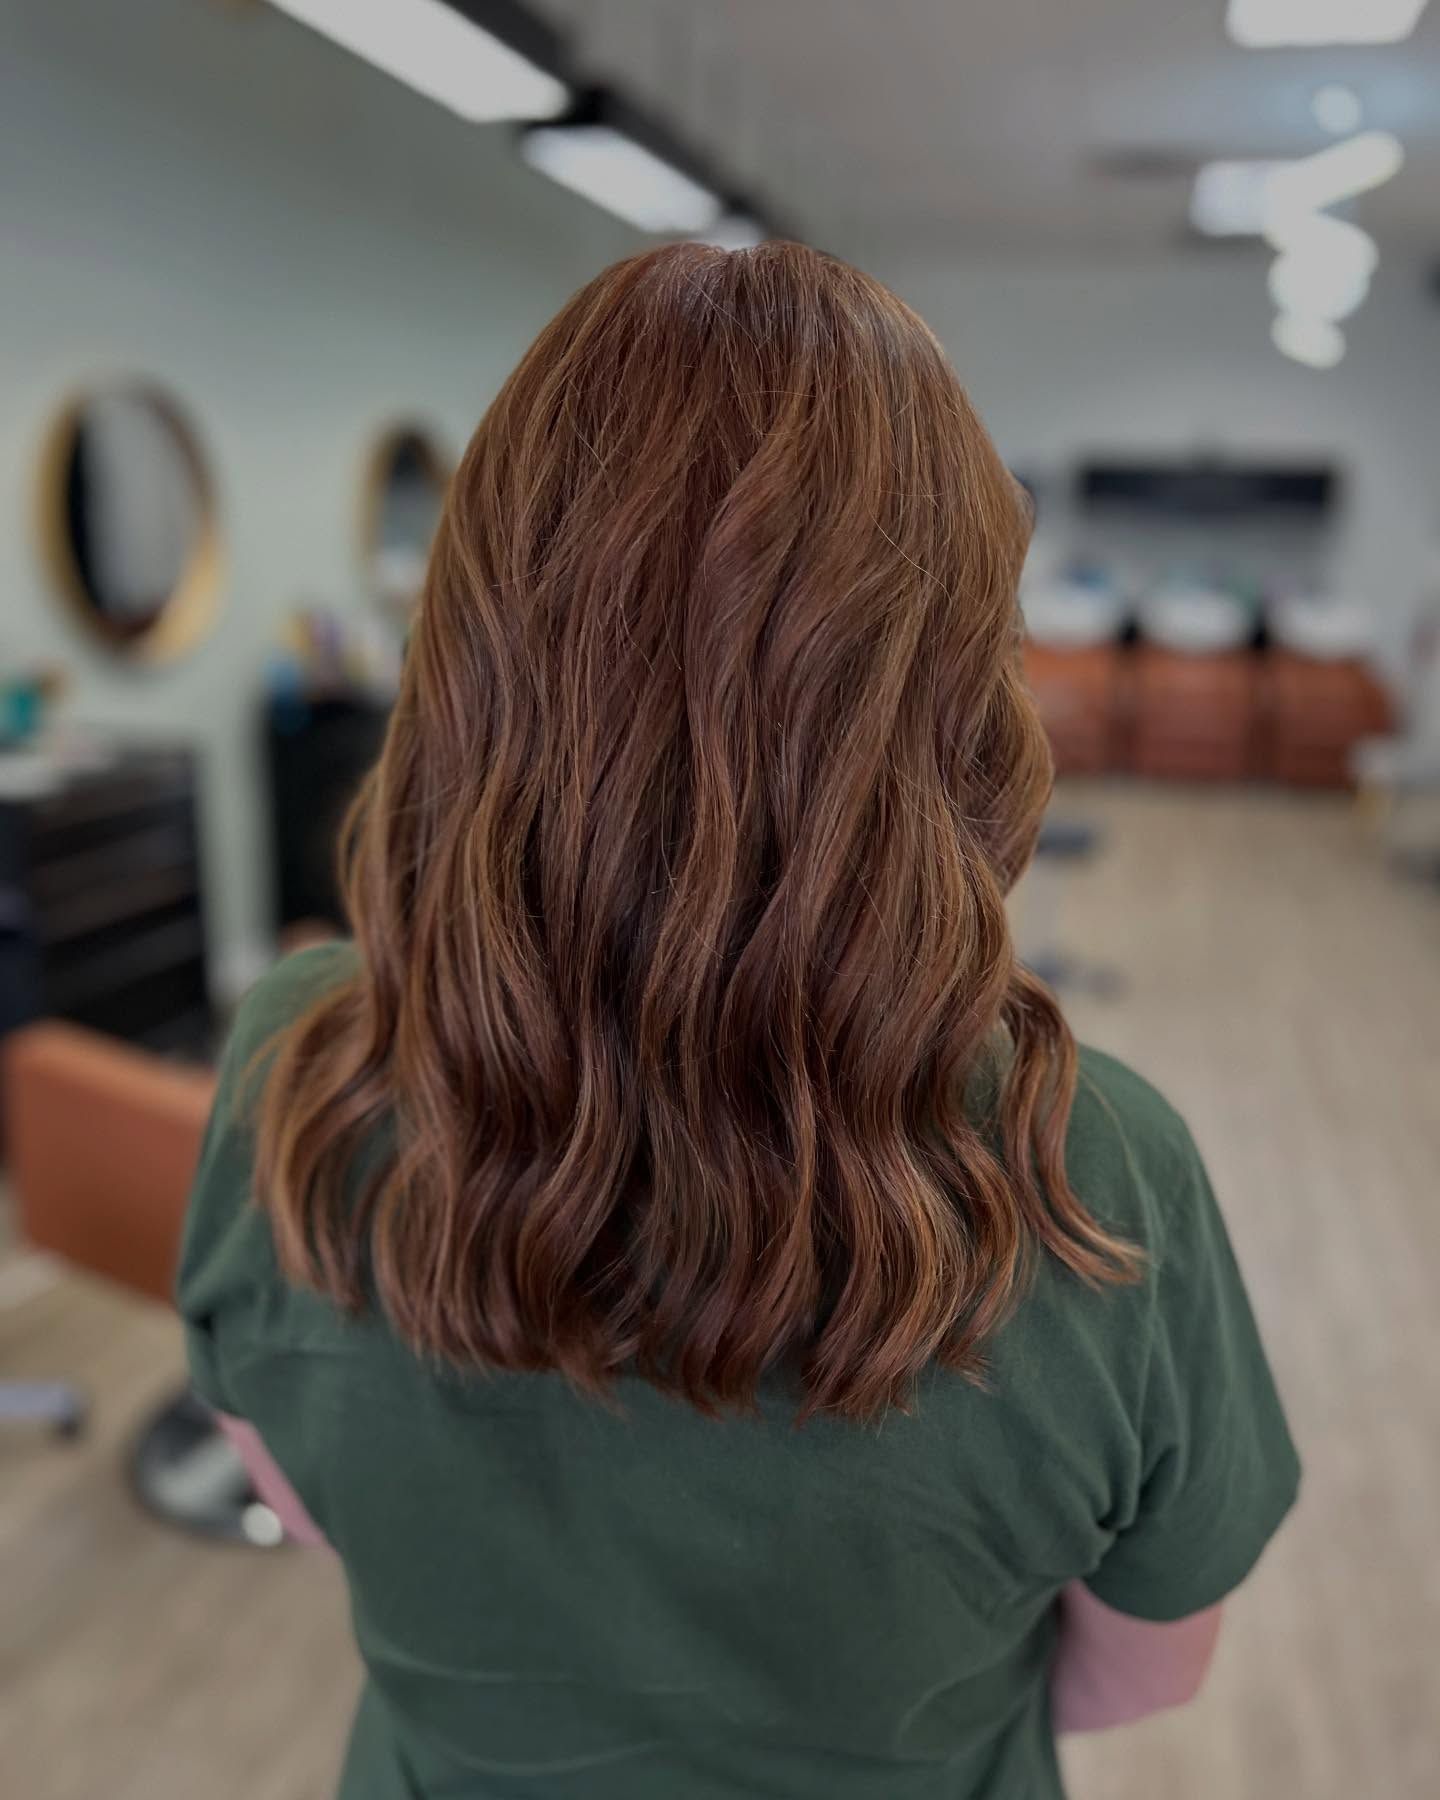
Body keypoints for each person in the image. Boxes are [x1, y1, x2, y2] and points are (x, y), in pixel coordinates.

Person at [177, 242, 1299, 1800]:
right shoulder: (1094, 1174)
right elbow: (1139, 1674)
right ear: (955, 684)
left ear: (482, 643)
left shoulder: (301, 1069)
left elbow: (304, 1506)